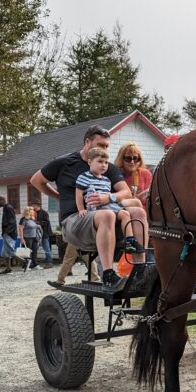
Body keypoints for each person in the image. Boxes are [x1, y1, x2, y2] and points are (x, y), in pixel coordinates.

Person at [29, 125, 150, 292]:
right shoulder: (64, 163)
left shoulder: (106, 166)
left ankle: (140, 270)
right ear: (87, 142)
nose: (104, 149)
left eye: (107, 146)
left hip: (105, 216)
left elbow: (126, 191)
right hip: (75, 220)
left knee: (138, 212)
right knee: (107, 214)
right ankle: (108, 274)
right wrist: (60, 197)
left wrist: (109, 197)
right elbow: (36, 180)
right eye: (101, 145)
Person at [75, 147, 143, 255]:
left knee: (125, 213)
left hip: (108, 205)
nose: (104, 165)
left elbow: (108, 196)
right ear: (90, 162)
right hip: (96, 208)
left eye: (106, 162)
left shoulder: (106, 180)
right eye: (100, 162)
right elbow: (78, 194)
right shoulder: (84, 177)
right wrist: (81, 209)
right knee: (116, 213)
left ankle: (130, 242)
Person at [116, 142, 153, 209]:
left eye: (135, 158)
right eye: (128, 158)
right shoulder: (116, 174)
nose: (132, 162)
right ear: (121, 159)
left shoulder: (146, 174)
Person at [0, 196, 17, 274]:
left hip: (9, 233)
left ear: (3, 200)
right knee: (5, 252)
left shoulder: (8, 208)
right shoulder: (6, 208)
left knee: (10, 251)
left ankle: (26, 261)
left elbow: (12, 221)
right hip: (8, 233)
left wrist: (7, 232)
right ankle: (8, 268)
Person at [18, 206, 41, 271]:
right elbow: (20, 229)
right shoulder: (23, 219)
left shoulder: (32, 219)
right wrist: (22, 238)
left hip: (34, 237)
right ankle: (26, 266)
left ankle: (35, 265)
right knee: (27, 253)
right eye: (31, 210)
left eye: (33, 210)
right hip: (27, 237)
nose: (33, 211)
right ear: (28, 212)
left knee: (34, 251)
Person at [31, 202, 54, 269]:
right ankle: (34, 263)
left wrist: (37, 223)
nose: (33, 206)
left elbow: (46, 222)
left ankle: (49, 262)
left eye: (34, 205)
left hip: (45, 233)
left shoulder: (44, 212)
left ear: (38, 205)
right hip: (37, 233)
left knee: (46, 248)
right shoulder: (34, 213)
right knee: (36, 248)